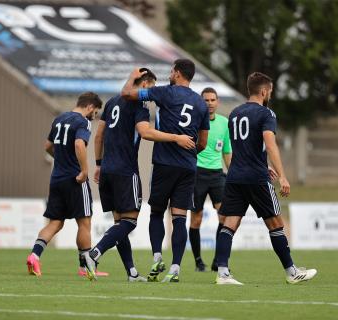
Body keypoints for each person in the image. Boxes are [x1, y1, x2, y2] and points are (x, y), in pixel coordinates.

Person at [83, 69, 195, 281]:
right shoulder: (139, 105)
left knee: (119, 224)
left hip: (107, 170)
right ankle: (95, 253)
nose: (152, 94)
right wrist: (176, 138)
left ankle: (132, 273)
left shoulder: (112, 102)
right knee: (130, 223)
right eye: (151, 88)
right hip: (126, 171)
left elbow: (99, 136)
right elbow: (145, 132)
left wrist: (98, 164)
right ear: (144, 84)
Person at [214, 72, 317, 285]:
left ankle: (223, 273)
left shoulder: (234, 113)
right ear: (263, 91)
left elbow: (243, 147)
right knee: (276, 223)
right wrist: (283, 177)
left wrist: (264, 164)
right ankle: (291, 272)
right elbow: (269, 144)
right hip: (256, 178)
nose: (270, 94)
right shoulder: (267, 114)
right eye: (270, 91)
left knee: (229, 224)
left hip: (235, 176)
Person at [120, 59, 210, 282]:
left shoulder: (165, 93)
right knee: (180, 217)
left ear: (178, 74)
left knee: (157, 213)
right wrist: (189, 152)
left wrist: (133, 76)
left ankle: (157, 257)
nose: (169, 74)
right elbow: (203, 143)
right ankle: (175, 268)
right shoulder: (200, 103)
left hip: (163, 163)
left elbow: (127, 94)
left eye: (171, 71)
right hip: (188, 167)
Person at [26, 92, 102, 278]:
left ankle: (34, 255)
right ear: (90, 107)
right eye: (96, 112)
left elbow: (47, 146)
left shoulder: (59, 119)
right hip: (74, 179)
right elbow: (79, 145)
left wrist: (60, 160)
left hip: (57, 178)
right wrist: (84, 170)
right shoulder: (82, 122)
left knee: (55, 223)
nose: (94, 117)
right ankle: (85, 268)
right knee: (84, 222)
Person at [188, 87, 231, 272]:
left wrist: (233, 174)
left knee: (224, 216)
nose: (210, 103)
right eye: (206, 100)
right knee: (196, 219)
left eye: (213, 100)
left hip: (217, 175)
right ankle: (198, 261)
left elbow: (227, 151)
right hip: (197, 173)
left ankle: (217, 260)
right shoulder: (195, 121)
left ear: (218, 102)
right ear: (201, 102)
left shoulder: (224, 123)